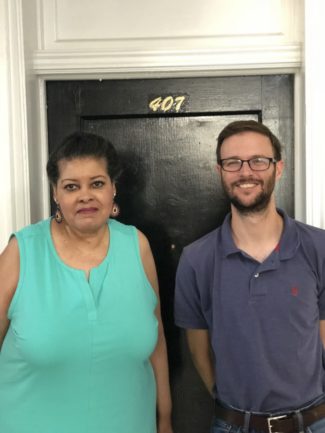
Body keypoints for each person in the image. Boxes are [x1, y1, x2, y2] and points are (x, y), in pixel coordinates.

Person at [0, 131, 173, 433]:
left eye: (96, 183)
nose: (85, 196)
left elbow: (156, 340)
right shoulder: (22, 251)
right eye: (71, 186)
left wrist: (166, 418)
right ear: (55, 193)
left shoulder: (137, 246)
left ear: (113, 188)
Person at [174, 120, 325, 433]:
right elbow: (199, 348)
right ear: (220, 172)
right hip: (233, 424)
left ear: (278, 168)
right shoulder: (196, 260)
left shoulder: (319, 248)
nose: (246, 172)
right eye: (233, 163)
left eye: (259, 160)